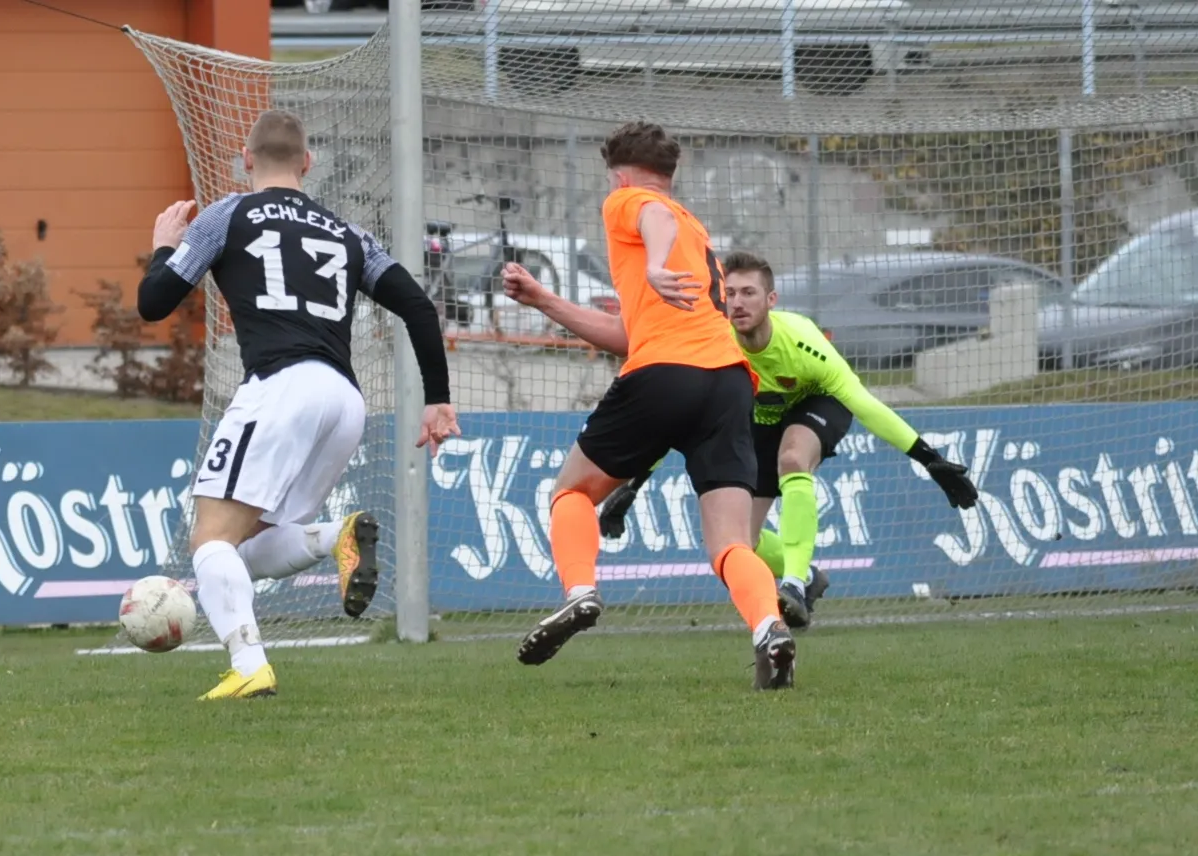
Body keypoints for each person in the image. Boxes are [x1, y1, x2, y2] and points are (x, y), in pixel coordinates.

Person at [137, 109, 459, 700]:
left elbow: (154, 302)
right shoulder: (348, 233)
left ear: (246, 159)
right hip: (343, 401)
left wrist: (163, 247)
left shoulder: (227, 215)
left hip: (281, 388)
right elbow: (417, 305)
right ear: (307, 163)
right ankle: (335, 536)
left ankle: (249, 665)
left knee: (210, 542)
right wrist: (437, 398)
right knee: (248, 546)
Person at [526, 250, 980, 630]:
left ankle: (794, 584)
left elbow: (864, 403)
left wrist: (929, 459)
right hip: (760, 418)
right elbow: (676, 421)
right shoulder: (717, 346)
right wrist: (632, 487)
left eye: (749, 293)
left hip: (816, 405)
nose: (737, 303)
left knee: (793, 458)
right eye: (730, 294)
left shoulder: (803, 341)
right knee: (740, 543)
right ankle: (808, 575)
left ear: (771, 299)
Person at [505, 121, 797, 691]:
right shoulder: (695, 229)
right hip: (728, 382)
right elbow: (628, 334)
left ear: (619, 175)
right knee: (731, 543)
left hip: (665, 375)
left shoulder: (631, 203)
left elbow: (651, 217)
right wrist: (543, 300)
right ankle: (769, 628)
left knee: (572, 491)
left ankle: (580, 592)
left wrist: (657, 263)